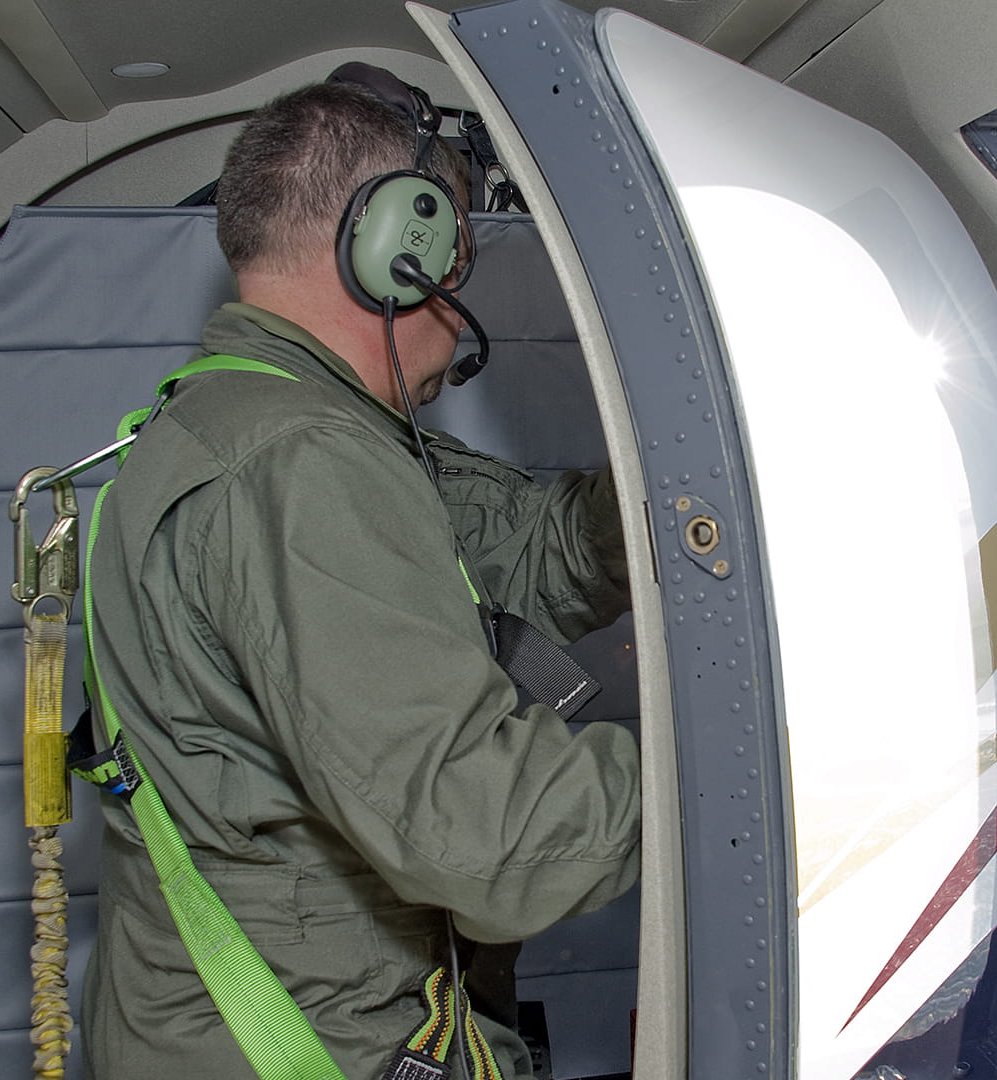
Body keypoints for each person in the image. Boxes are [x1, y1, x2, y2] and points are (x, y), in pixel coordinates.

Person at [79, 76, 641, 1079]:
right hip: (313, 1048)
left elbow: (531, 548)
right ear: (399, 249)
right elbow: (486, 836)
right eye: (459, 249)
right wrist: (747, 778)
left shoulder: (245, 421)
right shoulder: (302, 464)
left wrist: (678, 493)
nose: (462, 286)